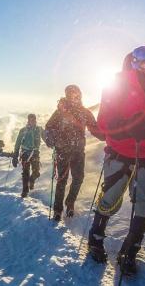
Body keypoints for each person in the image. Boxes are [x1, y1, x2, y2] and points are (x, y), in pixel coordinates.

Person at [88, 46, 145, 275]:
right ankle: (95, 239)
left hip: (143, 157)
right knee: (110, 201)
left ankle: (128, 253)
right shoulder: (116, 86)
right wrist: (131, 127)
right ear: (133, 63)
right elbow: (104, 123)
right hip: (119, 155)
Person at [45, 85, 104, 221]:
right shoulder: (60, 112)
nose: (74, 96)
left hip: (78, 152)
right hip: (63, 152)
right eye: (71, 94)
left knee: (78, 178)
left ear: (80, 95)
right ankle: (58, 210)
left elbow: (95, 129)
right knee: (62, 180)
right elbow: (48, 127)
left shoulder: (84, 112)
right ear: (67, 95)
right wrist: (51, 139)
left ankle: (70, 203)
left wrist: (109, 137)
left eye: (76, 94)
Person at [13, 114, 44, 197]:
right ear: (28, 120)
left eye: (33, 120)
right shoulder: (23, 130)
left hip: (35, 153)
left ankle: (31, 180)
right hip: (25, 154)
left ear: (35, 120)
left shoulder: (39, 129)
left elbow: (46, 138)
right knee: (25, 172)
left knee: (36, 172)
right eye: (30, 120)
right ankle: (25, 191)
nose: (32, 121)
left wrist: (53, 145)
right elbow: (18, 143)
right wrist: (15, 155)